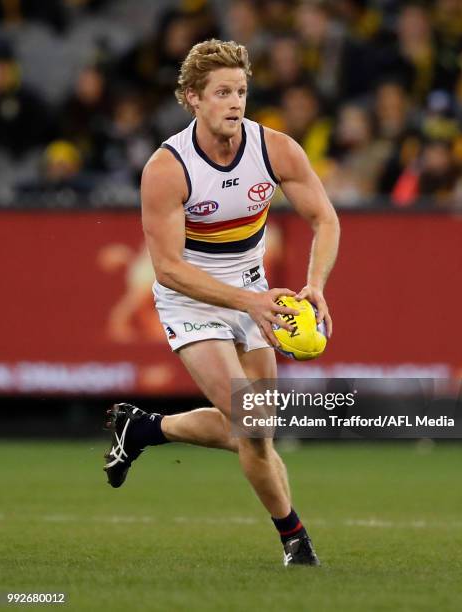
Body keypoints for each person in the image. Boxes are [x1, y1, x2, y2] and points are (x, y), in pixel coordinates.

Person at [103, 39, 340, 567]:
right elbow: (168, 269)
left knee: (260, 431)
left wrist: (315, 284)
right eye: (222, 93)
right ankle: (295, 541)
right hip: (191, 297)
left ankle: (142, 428)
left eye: (241, 91)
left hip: (251, 288)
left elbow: (325, 219)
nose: (235, 103)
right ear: (192, 97)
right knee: (250, 424)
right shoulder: (168, 168)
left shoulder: (275, 148)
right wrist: (248, 303)